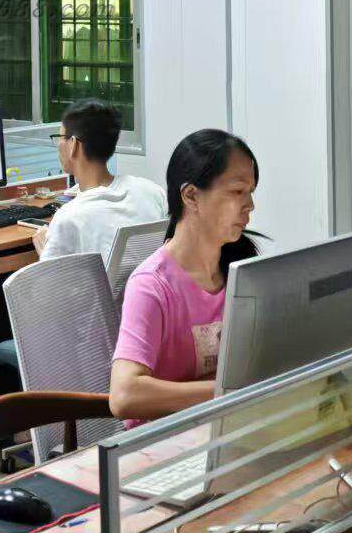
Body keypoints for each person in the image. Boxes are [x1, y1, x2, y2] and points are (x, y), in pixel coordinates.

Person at [108, 129, 260, 424]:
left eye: (251, 192)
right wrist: (227, 392)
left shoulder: (241, 269)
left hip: (224, 428)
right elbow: (124, 395)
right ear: (191, 196)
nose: (250, 205)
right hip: (165, 441)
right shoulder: (151, 285)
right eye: (237, 191)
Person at [34, 98, 167, 260]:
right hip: (146, 278)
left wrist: (45, 247)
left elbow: (53, 275)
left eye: (60, 137)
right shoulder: (151, 192)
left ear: (73, 144)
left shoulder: (68, 218)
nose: (58, 144)